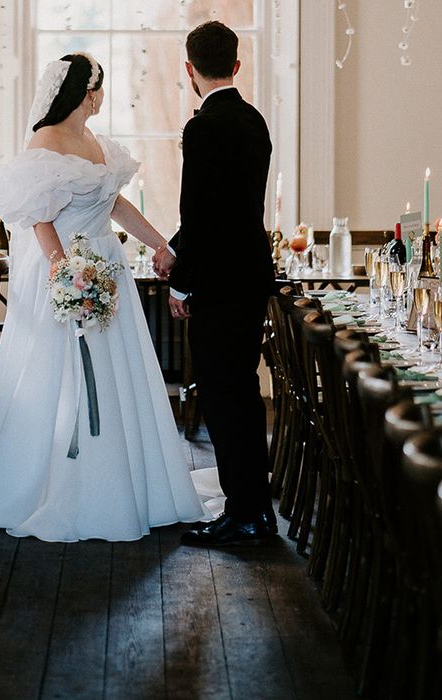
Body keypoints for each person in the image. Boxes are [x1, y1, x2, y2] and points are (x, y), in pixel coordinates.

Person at [0, 53, 210, 543]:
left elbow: (115, 204)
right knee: (62, 375)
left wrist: (162, 244)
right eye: (99, 89)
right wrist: (64, 270)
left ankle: (126, 484)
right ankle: (61, 485)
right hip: (68, 266)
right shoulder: (46, 140)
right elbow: (39, 216)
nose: (102, 97)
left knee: (115, 372)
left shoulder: (96, 142)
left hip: (107, 265)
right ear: (86, 92)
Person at [154, 21, 277, 546]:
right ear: (236, 64)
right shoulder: (253, 121)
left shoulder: (202, 127)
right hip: (250, 278)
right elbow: (233, 208)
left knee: (225, 401)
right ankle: (255, 509)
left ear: (189, 70)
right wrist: (177, 250)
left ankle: (244, 515)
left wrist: (181, 283)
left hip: (220, 288)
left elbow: (202, 211)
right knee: (243, 397)